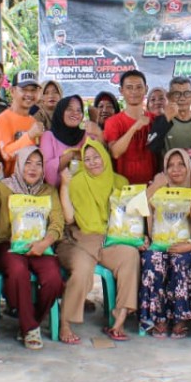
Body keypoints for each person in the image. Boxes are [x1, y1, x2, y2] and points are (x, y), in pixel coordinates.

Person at [56, 139, 141, 343]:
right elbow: (68, 218)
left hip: (110, 239)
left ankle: (119, 317)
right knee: (82, 270)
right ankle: (65, 323)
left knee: (130, 255)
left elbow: (130, 215)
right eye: (87, 159)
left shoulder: (120, 182)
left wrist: (139, 236)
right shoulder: (76, 182)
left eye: (96, 157)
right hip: (79, 239)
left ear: (104, 157)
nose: (93, 162)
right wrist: (65, 185)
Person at [0, 147, 65, 350]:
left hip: (39, 245)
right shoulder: (4, 187)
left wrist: (45, 243)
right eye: (28, 163)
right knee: (18, 271)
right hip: (7, 245)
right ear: (19, 165)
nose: (33, 168)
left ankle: (30, 321)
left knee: (54, 278)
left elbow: (57, 222)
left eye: (38, 164)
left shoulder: (48, 191)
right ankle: (30, 329)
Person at [139, 149, 191, 338]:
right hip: (158, 244)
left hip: (184, 247)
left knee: (181, 261)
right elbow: (136, 208)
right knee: (152, 259)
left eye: (181, 164)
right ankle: (158, 318)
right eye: (170, 165)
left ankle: (180, 318)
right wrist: (155, 186)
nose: (175, 169)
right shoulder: (157, 189)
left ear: (188, 167)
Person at [103, 70, 157, 185]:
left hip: (152, 185)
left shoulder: (155, 119)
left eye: (139, 87)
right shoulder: (113, 122)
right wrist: (134, 127)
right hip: (123, 186)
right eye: (129, 87)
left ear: (146, 89)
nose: (134, 92)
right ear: (121, 91)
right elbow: (115, 153)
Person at [148, 76, 191, 172]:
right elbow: (152, 147)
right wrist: (165, 120)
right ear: (169, 96)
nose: (182, 98)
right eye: (177, 94)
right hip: (172, 184)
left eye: (187, 93)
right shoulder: (161, 120)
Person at [0, 71, 45, 175]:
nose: (29, 94)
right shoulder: (2, 119)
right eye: (24, 89)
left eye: (33, 90)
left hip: (32, 183)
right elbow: (6, 154)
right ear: (12, 91)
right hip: (10, 184)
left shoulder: (33, 121)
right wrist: (29, 136)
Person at [41, 94, 100, 188]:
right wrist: (71, 155)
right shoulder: (48, 136)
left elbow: (99, 162)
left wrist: (94, 121)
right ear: (60, 112)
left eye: (79, 110)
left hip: (84, 192)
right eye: (69, 109)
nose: (75, 113)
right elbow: (47, 172)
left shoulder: (86, 135)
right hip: (57, 194)